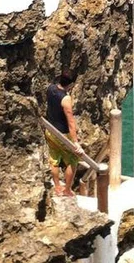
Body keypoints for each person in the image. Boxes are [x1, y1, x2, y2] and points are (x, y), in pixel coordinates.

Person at [45, 69, 84, 197]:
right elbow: (71, 122)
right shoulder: (66, 98)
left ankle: (57, 187)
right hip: (63, 134)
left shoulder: (50, 89)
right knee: (73, 160)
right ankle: (67, 190)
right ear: (71, 84)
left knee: (54, 159)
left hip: (50, 130)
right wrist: (75, 142)